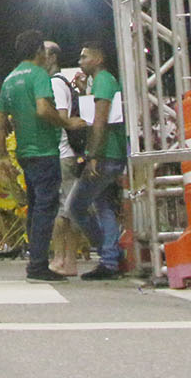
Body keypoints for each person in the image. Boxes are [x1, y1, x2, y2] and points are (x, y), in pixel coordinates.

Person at [0, 30, 86, 282]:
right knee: (46, 208)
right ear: (38, 51)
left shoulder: (9, 79)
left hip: (24, 152)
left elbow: (0, 120)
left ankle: (35, 261)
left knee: (35, 208)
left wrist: (3, 155)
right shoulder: (39, 76)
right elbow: (44, 109)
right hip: (45, 151)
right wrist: (67, 123)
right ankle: (37, 265)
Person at [65, 42, 126, 280]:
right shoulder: (103, 81)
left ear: (99, 58)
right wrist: (83, 92)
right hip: (111, 153)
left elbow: (99, 122)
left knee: (75, 206)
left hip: (105, 155)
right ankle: (111, 257)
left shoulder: (102, 81)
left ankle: (109, 257)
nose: (80, 61)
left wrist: (93, 156)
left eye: (84, 57)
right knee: (103, 207)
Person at [47, 50, 87, 276]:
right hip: (71, 152)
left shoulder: (55, 84)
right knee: (69, 207)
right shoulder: (66, 84)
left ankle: (62, 259)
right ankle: (67, 259)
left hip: (64, 153)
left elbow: (61, 117)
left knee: (63, 209)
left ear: (51, 57)